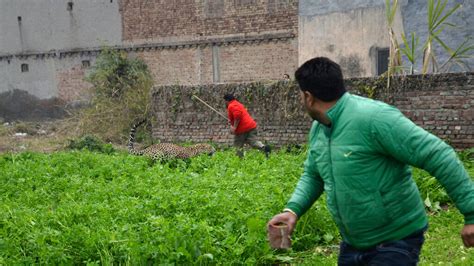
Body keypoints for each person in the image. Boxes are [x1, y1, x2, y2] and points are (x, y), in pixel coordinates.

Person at [267, 57, 474, 265]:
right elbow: (313, 175)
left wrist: (471, 214)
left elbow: (438, 154)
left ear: (308, 97)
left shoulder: (375, 118)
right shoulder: (319, 128)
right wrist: (292, 210)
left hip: (395, 240)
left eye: (300, 95)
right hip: (353, 243)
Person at [224, 93, 271, 158]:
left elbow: (237, 116)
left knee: (238, 145)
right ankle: (264, 147)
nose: (225, 103)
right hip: (251, 126)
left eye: (225, 101)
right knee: (253, 142)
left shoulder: (231, 105)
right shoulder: (238, 104)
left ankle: (240, 161)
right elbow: (239, 115)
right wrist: (231, 120)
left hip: (242, 129)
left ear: (227, 100)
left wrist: (234, 127)